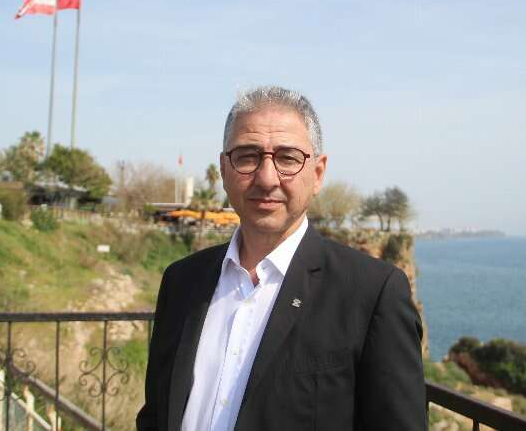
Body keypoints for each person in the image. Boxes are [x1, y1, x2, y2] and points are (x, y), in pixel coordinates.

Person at [137, 86, 426, 431]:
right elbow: (156, 414)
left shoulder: (371, 293)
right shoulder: (182, 281)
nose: (266, 178)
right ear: (224, 169)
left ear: (317, 173)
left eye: (288, 158)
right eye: (247, 156)